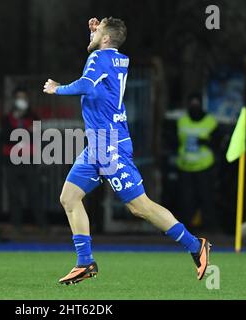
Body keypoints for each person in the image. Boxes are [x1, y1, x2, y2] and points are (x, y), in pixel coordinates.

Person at [43, 17, 211, 285]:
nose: (92, 34)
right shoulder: (118, 58)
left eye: (97, 32)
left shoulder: (99, 59)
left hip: (110, 146)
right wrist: (97, 34)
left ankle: (195, 245)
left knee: (139, 207)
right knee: (69, 197)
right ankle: (85, 262)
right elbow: (102, 54)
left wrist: (57, 89)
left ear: (106, 39)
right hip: (98, 145)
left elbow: (86, 84)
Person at [1, 88, 46, 233]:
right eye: (18, 98)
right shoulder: (7, 118)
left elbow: (37, 136)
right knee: (14, 195)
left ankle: (41, 226)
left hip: (29, 160)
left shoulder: (34, 117)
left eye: (24, 98)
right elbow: (6, 138)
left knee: (35, 193)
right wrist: (26, 131)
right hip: (11, 161)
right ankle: (16, 226)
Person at [176, 93, 220, 231]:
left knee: (206, 198)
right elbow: (174, 140)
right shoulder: (182, 121)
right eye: (192, 103)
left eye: (197, 104)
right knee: (186, 200)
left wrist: (205, 141)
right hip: (185, 167)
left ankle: (209, 227)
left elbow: (217, 142)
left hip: (204, 167)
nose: (194, 107)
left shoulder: (210, 121)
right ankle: (186, 229)